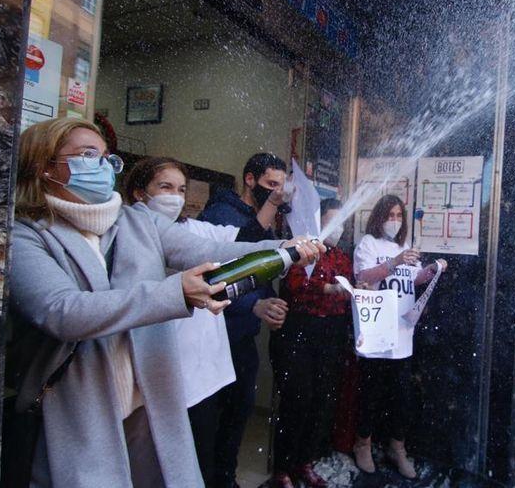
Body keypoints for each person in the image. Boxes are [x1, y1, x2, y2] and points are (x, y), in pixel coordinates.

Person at [4, 118, 321, 487]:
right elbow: (62, 312)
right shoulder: (25, 235)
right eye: (88, 155)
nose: (103, 166)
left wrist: (280, 249)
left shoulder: (138, 222)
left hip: (146, 402)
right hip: (78, 410)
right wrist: (175, 293)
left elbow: (211, 251)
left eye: (107, 157)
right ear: (43, 165)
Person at [124, 156, 242, 485]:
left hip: (205, 374)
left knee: (199, 460)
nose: (175, 197)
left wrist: (281, 245)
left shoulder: (195, 231)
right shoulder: (124, 239)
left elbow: (241, 241)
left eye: (181, 189)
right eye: (165, 187)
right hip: (159, 375)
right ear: (138, 193)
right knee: (156, 468)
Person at [198, 152, 292, 487]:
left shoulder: (263, 217)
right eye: (270, 185)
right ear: (249, 180)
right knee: (212, 421)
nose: (276, 193)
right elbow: (223, 274)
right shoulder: (221, 215)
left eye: (281, 187)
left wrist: (266, 302)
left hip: (243, 339)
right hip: (216, 337)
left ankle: (226, 478)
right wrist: (253, 304)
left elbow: (259, 271)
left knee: (238, 415)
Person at [352, 195, 447, 479]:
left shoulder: (403, 246)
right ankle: (363, 445)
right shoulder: (368, 243)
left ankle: (397, 447)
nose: (394, 220)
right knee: (370, 394)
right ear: (379, 216)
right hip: (377, 332)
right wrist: (393, 262)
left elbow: (414, 278)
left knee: (401, 398)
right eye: (389, 215)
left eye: (398, 215)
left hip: (403, 334)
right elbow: (363, 276)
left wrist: (430, 271)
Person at [269, 198, 353, 488]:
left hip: (332, 333)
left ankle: (305, 461)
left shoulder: (342, 256)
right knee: (297, 400)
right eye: (333, 220)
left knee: (322, 400)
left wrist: (358, 290)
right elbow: (295, 284)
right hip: (300, 331)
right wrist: (329, 288)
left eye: (342, 221)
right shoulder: (303, 251)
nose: (338, 227)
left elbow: (350, 285)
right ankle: (282, 469)